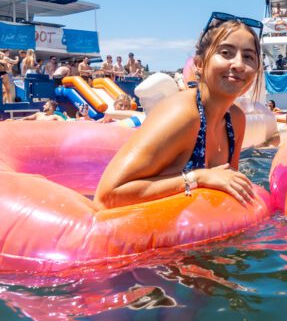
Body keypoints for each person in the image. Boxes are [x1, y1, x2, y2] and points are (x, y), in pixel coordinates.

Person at [95, 14, 262, 209]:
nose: (238, 64)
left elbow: (231, 182)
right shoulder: (183, 114)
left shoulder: (235, 119)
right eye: (226, 53)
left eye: (249, 57)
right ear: (199, 64)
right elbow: (107, 196)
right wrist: (198, 177)